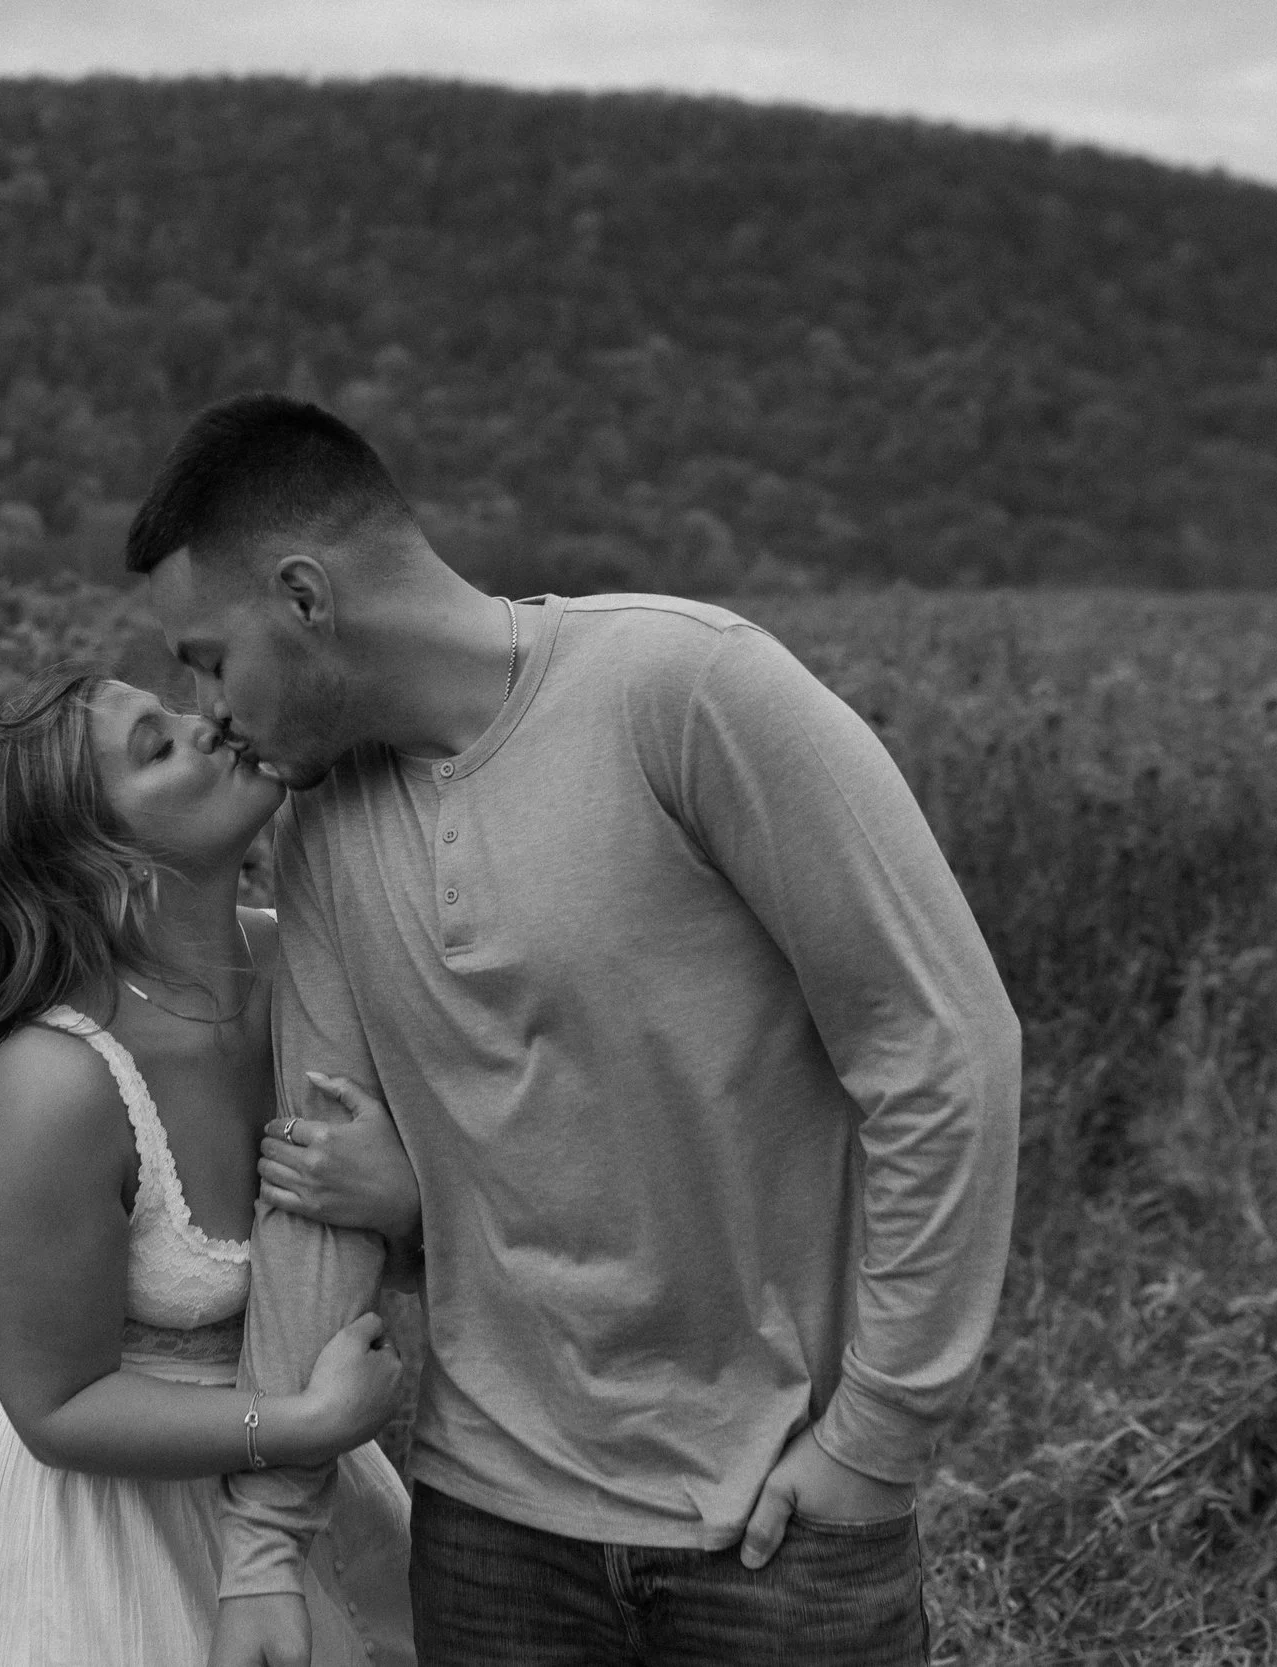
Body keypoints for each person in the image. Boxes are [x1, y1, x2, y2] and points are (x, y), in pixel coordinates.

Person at [126, 394, 1023, 1667]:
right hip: (491, 1533)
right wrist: (265, 1547)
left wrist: (877, 1436)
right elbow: (314, 1178)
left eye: (210, 656)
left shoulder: (686, 688)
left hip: (773, 1529)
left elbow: (942, 1050)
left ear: (307, 598)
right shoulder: (322, 833)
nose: (207, 706)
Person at [0, 662, 418, 1666]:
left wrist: (407, 1202)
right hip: (107, 1546)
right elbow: (54, 1404)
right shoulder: (59, 1082)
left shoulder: (311, 969)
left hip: (292, 1504)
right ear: (103, 862)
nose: (211, 727)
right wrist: (299, 1421)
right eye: (157, 746)